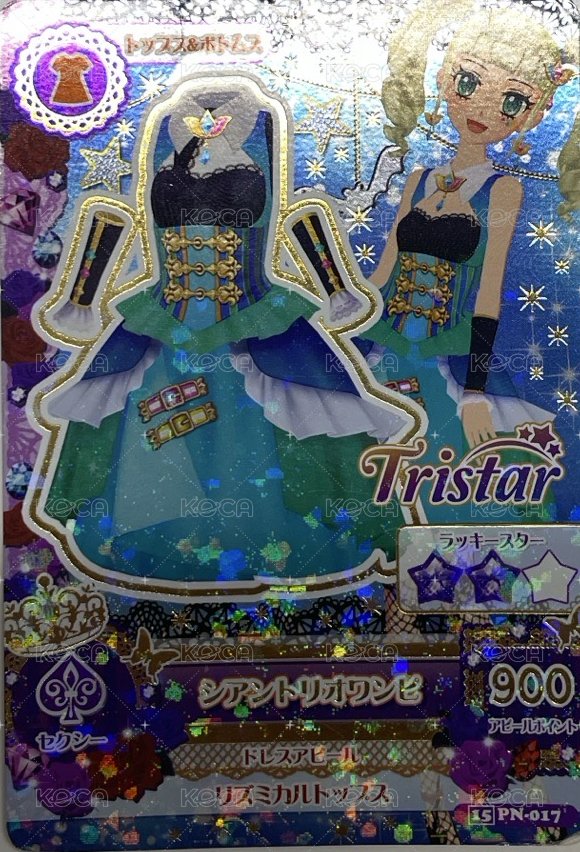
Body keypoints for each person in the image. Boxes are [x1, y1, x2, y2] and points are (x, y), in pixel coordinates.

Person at [39, 79, 408, 590]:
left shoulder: (262, 132)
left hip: (256, 319)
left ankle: (286, 546)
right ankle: (151, 548)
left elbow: (297, 221)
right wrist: (82, 297)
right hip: (163, 324)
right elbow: (117, 222)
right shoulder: (164, 136)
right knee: (132, 433)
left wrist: (338, 290)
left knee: (300, 436)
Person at [354, 0, 578, 523]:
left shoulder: (503, 191)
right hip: (385, 347)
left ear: (533, 116)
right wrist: (348, 315)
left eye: (513, 100)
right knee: (370, 469)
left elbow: (488, 290)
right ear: (444, 80)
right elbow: (384, 272)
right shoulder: (417, 180)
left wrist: (474, 389)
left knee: (445, 472)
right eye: (470, 83)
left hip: (450, 356)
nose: (484, 108)